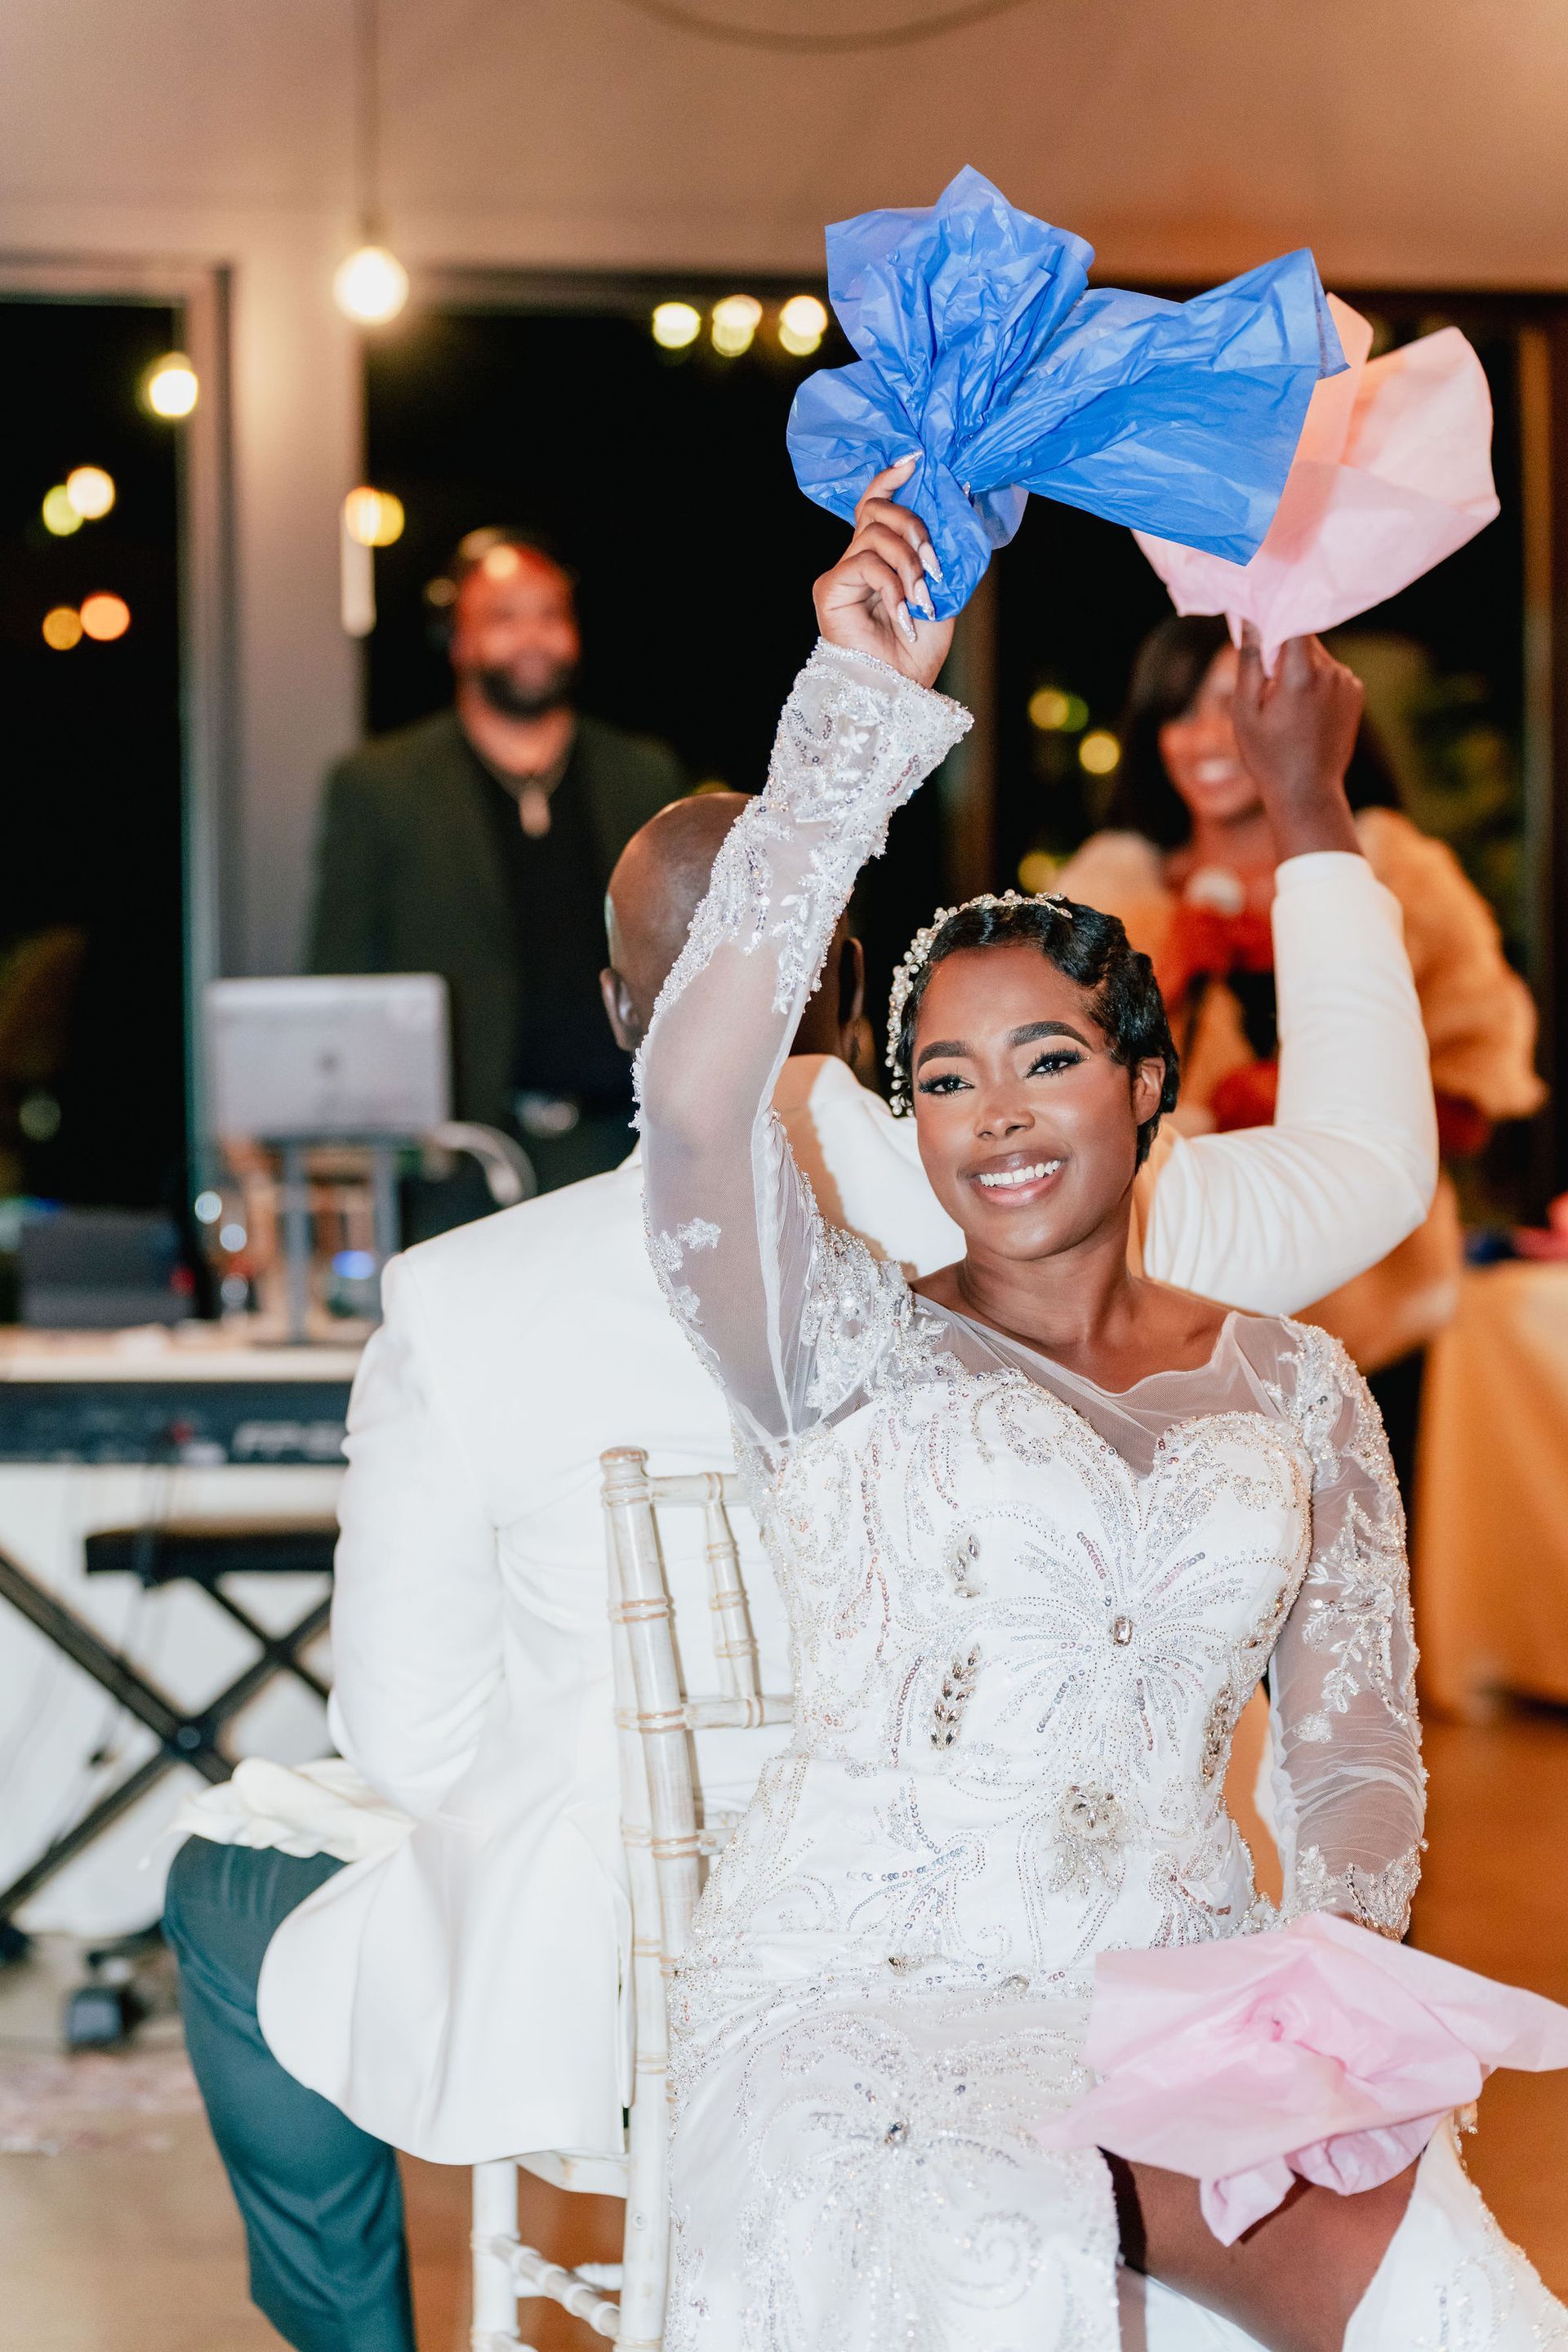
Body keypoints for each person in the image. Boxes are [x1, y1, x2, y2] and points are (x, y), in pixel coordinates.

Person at [166, 575, 1438, 2348]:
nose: (1000, 1112)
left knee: (235, 1875)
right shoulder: (1101, 1218)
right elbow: (1376, 1164)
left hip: (612, 1982)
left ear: (631, 1018)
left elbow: (419, 1740)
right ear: (853, 984)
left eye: (1050, 1058)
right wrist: (1310, 802)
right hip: (971, 1966)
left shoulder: (474, 1298)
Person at [636, 461, 1562, 2350]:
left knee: (1450, 2289)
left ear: (1147, 1085)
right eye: (947, 1074)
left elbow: (1355, 1749)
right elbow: (693, 1103)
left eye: (1045, 1056)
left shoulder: (1293, 1383)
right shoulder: (841, 1346)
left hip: (1189, 1999)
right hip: (868, 1997)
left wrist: (1331, 1976)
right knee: (1018, 2269)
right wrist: (851, 718)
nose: (996, 1112)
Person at [1058, 612, 1544, 1493]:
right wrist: (1165, 979)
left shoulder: (1398, 876)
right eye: (1179, 713)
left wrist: (1299, 1109)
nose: (1206, 739)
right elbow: (1057, 1109)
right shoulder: (1104, 899)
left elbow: (1478, 1091)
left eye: (1232, 709)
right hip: (1177, 1316)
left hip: (1370, 1313)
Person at [308, 526, 688, 1194]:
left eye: (550, 615)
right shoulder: (381, 787)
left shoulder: (642, 776)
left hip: (627, 1152)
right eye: (504, 618)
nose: (533, 637)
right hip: (458, 1163)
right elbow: (341, 978)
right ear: (456, 641)